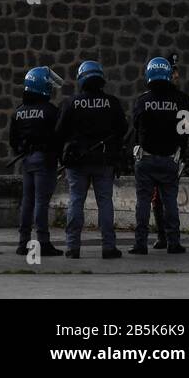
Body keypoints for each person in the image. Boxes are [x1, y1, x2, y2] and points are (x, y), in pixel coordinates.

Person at [55, 60, 127, 259]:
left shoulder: (70, 103)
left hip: (77, 162)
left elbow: (59, 133)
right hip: (104, 161)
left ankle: (72, 247)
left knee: (76, 201)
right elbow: (122, 129)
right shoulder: (112, 102)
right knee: (105, 202)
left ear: (81, 79)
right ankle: (109, 247)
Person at [129, 57, 189, 255]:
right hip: (170, 158)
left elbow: (135, 126)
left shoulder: (143, 100)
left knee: (143, 202)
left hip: (146, 158)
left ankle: (140, 243)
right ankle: (173, 242)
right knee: (170, 202)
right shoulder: (181, 99)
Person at [9, 66, 63, 256]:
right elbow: (59, 137)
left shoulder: (19, 111)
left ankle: (23, 242)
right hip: (45, 160)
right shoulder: (50, 111)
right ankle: (43, 242)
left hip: (26, 160)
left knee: (27, 202)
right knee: (41, 202)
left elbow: (13, 140)